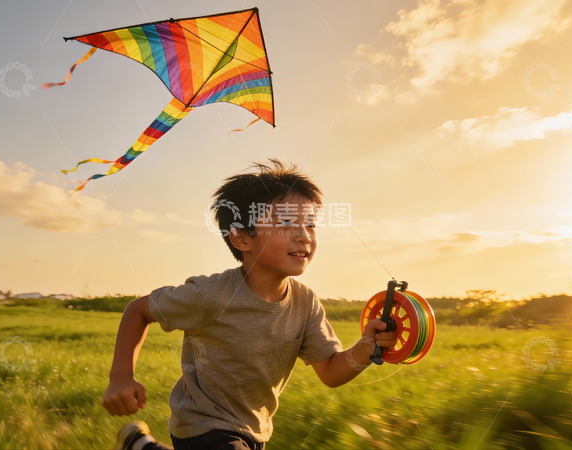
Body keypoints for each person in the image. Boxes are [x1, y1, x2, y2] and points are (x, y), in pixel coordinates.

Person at [102, 159, 397, 450]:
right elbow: (138, 310)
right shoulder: (209, 295)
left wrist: (365, 349)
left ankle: (138, 445)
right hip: (202, 425)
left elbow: (330, 372)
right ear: (242, 238)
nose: (304, 235)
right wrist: (120, 378)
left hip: (255, 430)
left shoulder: (305, 303)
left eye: (310, 224)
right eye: (285, 222)